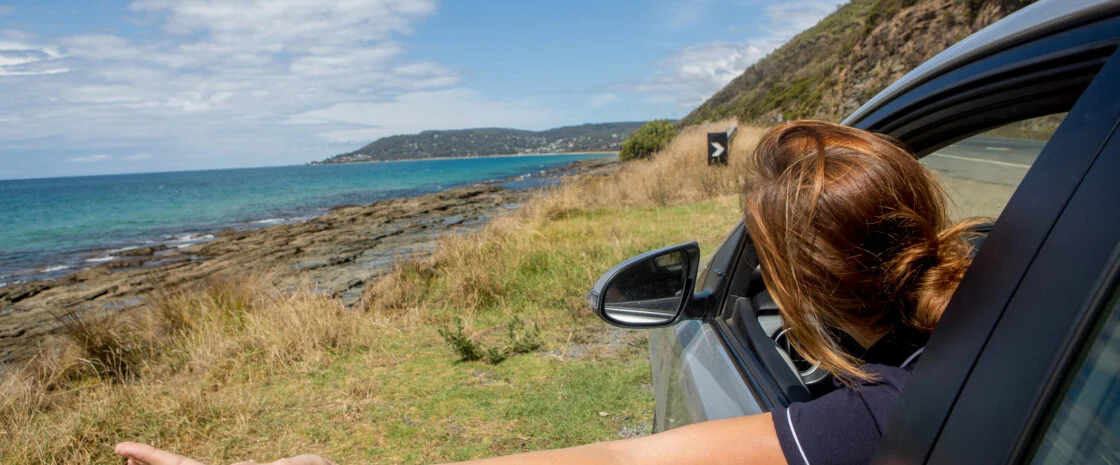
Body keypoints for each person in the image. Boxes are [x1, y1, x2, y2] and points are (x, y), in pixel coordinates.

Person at [115, 121, 981, 465]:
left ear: (796, 282)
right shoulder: (1000, 287)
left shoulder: (877, 416)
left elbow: (625, 460)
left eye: (761, 257)